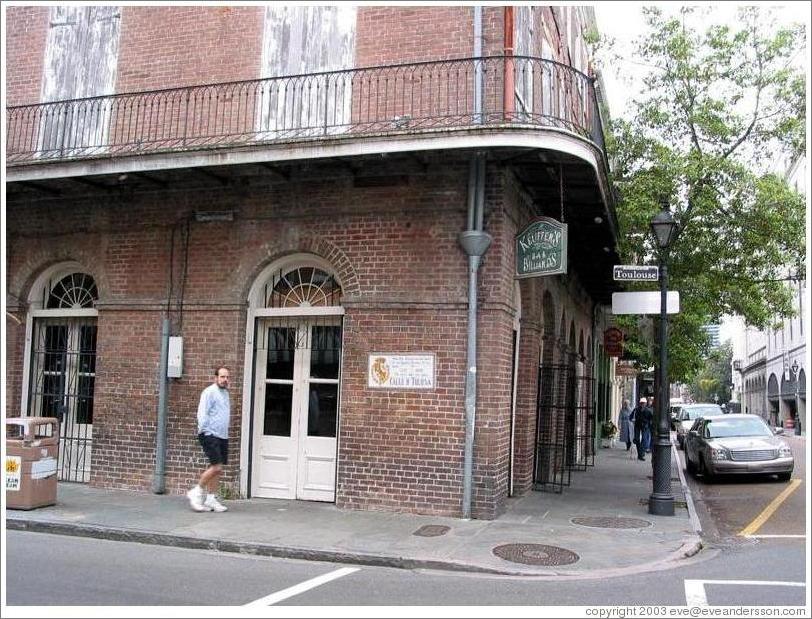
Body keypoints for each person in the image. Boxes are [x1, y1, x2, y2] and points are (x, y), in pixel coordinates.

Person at [187, 365, 231, 512]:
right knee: (216, 466)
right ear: (215, 378)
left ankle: (211, 499)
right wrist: (204, 431)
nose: (225, 380)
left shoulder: (225, 393)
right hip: (210, 434)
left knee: (218, 469)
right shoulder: (209, 392)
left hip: (222, 435)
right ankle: (196, 491)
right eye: (222, 377)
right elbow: (202, 413)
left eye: (227, 377)